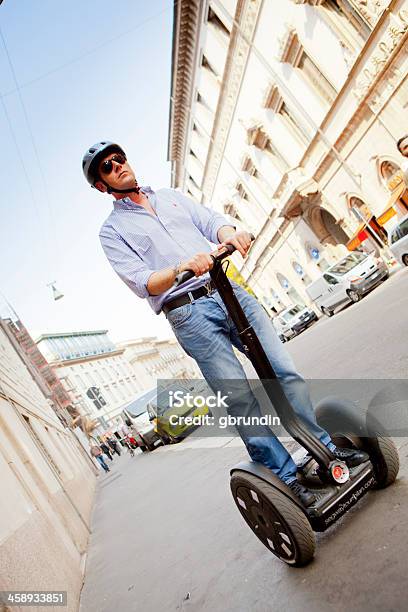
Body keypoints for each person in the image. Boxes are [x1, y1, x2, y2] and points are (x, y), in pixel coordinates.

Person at [82, 141, 368, 507]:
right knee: (239, 398)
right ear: (101, 186)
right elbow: (142, 281)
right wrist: (181, 267)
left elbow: (211, 221)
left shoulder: (169, 196)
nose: (117, 165)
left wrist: (229, 234)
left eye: (119, 158)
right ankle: (285, 478)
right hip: (188, 311)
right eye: (107, 166)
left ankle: (327, 448)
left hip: (227, 289)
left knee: (282, 370)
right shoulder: (112, 232)